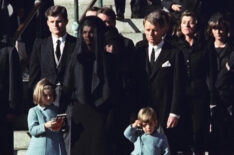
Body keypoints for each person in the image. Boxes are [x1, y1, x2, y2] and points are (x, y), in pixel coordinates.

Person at [135, 10, 185, 155]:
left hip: (165, 109)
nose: (151, 34)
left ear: (163, 30)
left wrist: (174, 112)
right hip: (143, 110)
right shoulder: (139, 49)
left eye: (155, 30)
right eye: (148, 30)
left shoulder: (174, 52)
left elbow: (179, 84)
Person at [175, 10, 211, 154]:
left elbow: (209, 72)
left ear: (196, 24)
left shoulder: (204, 45)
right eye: (184, 22)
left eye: (190, 22)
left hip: (199, 96)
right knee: (183, 136)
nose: (187, 25)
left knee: (199, 134)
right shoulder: (175, 45)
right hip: (181, 95)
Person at [29, 5, 77, 106]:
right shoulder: (39, 44)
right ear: (47, 23)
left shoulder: (76, 44)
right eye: (51, 21)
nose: (55, 25)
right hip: (46, 99)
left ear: (66, 21)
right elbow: (34, 74)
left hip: (71, 100)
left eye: (59, 21)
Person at [206, 12, 234, 155]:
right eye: (215, 28)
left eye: (221, 28)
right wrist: (227, 68)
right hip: (210, 99)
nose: (218, 32)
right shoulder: (206, 49)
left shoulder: (231, 50)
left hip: (228, 99)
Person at [26, 78, 67, 155]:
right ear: (38, 95)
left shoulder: (56, 109)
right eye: (45, 95)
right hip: (40, 150)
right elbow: (32, 130)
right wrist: (45, 125)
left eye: (50, 95)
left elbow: (62, 129)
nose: (48, 98)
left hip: (57, 148)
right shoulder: (34, 111)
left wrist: (62, 124)